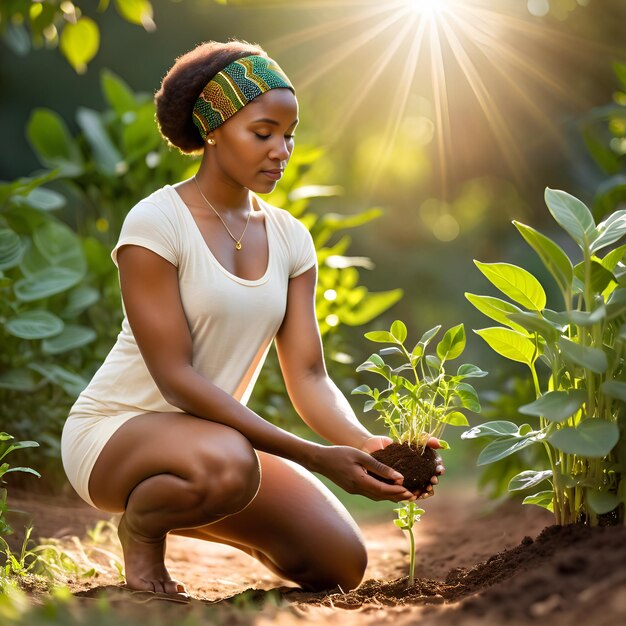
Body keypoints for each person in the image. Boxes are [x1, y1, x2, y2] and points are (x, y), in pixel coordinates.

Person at [61, 40, 444, 598]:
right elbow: (176, 379)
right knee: (231, 463)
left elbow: (309, 375)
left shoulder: (290, 238)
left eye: (288, 134)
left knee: (340, 562)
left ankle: (196, 501)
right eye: (262, 133)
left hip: (216, 448)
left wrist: (370, 448)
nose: (280, 150)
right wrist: (313, 456)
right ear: (213, 129)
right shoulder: (157, 222)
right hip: (116, 434)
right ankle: (142, 531)